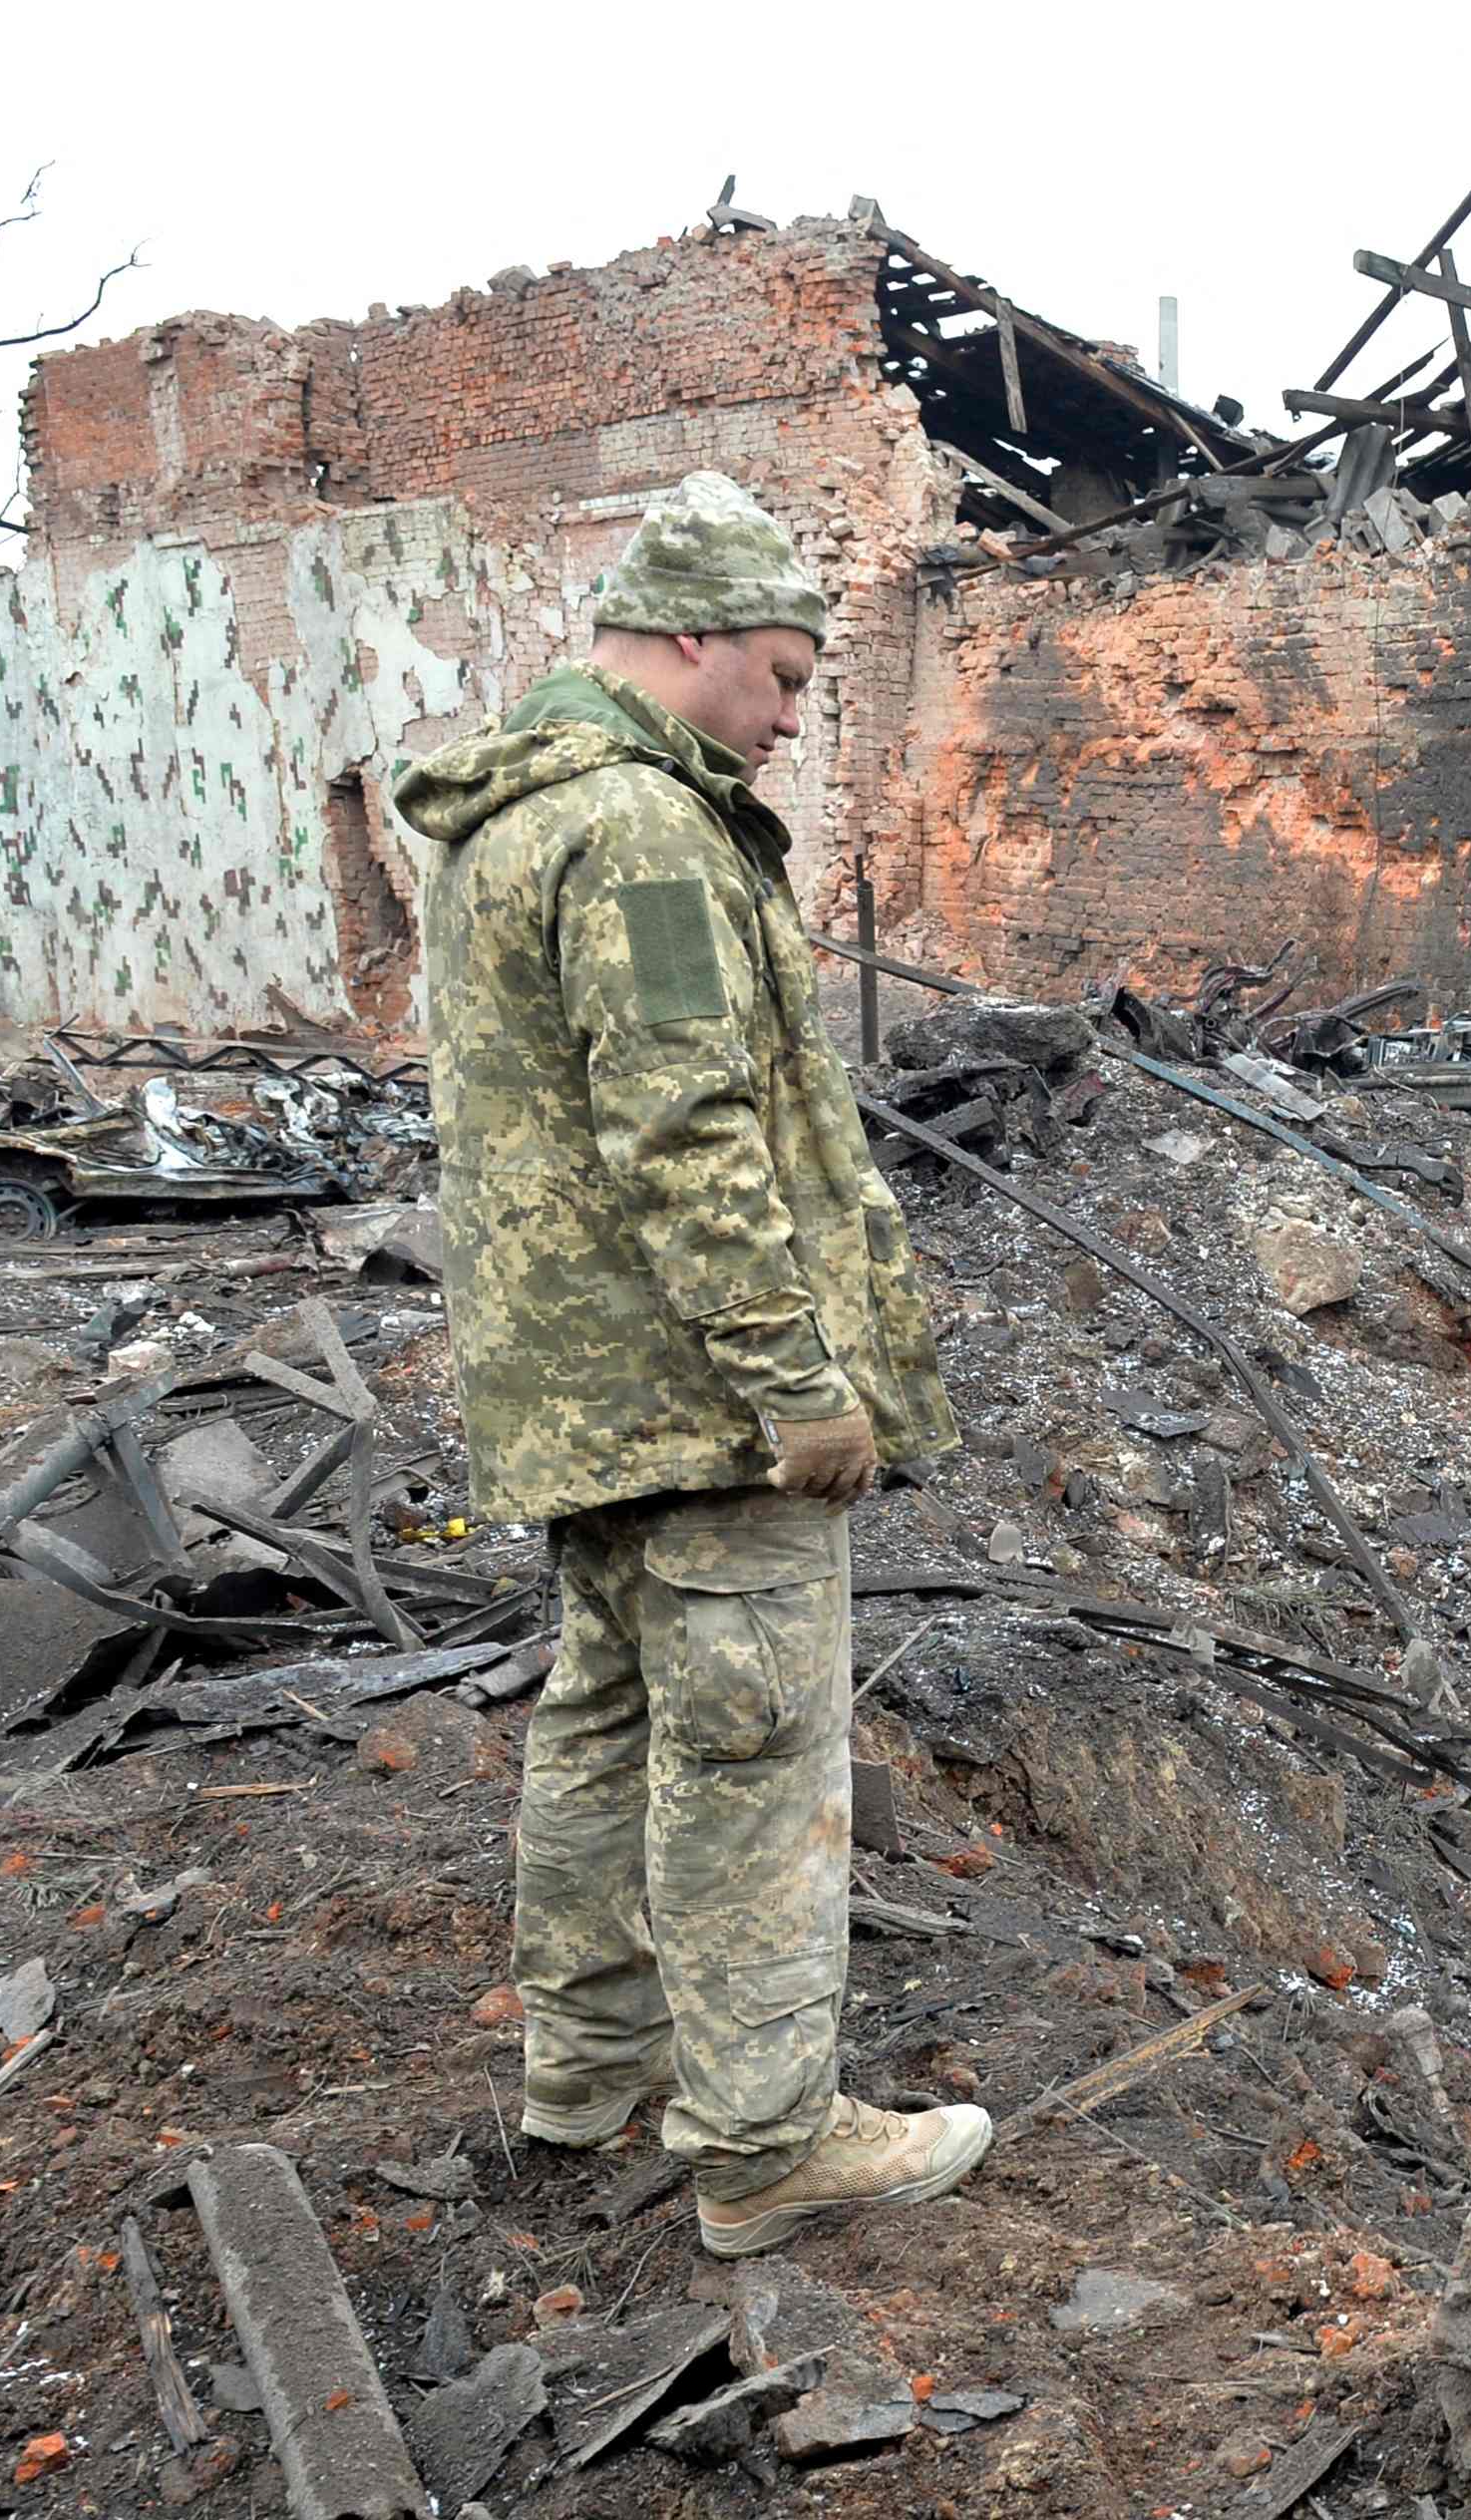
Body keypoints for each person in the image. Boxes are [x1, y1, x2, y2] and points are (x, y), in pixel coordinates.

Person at [397, 471, 988, 2255]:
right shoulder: (646, 836)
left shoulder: (516, 814)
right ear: (692, 641)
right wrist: (797, 1377)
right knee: (752, 1753)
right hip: (695, 1404)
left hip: (582, 1399)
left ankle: (586, 2080)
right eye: (788, 679)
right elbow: (684, 1124)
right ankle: (762, 2143)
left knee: (607, 1724)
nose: (798, 720)